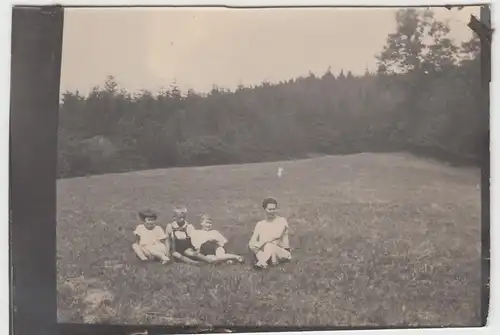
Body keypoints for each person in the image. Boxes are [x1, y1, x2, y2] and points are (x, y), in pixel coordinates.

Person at [248, 197, 291, 269]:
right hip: (265, 250)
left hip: (280, 252)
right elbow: (252, 242)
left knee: (270, 245)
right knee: (259, 248)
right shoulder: (260, 224)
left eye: (274, 209)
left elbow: (277, 235)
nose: (272, 211)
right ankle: (266, 261)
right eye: (270, 209)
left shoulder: (282, 221)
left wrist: (260, 243)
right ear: (265, 210)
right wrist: (254, 247)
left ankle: (261, 262)